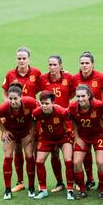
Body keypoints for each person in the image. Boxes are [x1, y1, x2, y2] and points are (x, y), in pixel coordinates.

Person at [1, 47, 41, 193]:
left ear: (29, 59)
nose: (21, 61)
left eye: (24, 58)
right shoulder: (10, 74)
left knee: (32, 150)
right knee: (16, 149)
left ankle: (35, 182)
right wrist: (10, 104)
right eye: (19, 58)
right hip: (14, 117)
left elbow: (43, 87)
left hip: (30, 118)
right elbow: (5, 93)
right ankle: (20, 181)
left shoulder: (36, 73)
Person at [0, 83, 38, 200]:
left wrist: (32, 132)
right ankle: (7, 190)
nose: (12, 101)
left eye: (15, 99)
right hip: (11, 133)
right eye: (10, 98)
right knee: (8, 156)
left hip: (25, 132)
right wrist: (4, 130)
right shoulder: (4, 107)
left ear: (21, 97)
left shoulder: (30, 102)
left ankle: (31, 188)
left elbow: (37, 114)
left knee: (29, 156)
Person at [71, 51, 103, 191]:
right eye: (82, 63)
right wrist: (76, 136)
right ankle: (88, 181)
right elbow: (68, 97)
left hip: (98, 126)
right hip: (83, 127)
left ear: (92, 64)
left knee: (100, 160)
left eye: (87, 63)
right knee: (82, 158)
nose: (84, 65)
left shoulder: (101, 77)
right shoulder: (74, 79)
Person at [38, 55, 73, 193]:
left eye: (54, 65)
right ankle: (60, 182)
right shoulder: (42, 79)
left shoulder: (68, 78)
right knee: (54, 154)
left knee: (72, 152)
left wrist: (62, 106)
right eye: (50, 65)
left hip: (64, 120)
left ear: (60, 65)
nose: (52, 67)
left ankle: (77, 181)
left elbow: (73, 92)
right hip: (48, 122)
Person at [32, 90, 75, 200]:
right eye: (42, 103)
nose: (44, 106)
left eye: (47, 103)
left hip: (63, 138)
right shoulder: (37, 112)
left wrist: (71, 137)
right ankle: (43, 190)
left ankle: (70, 190)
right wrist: (34, 137)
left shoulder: (61, 111)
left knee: (68, 160)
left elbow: (70, 124)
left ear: (53, 103)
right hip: (46, 138)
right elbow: (33, 124)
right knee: (39, 161)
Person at [69, 85, 103, 199]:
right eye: (78, 96)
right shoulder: (72, 106)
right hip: (83, 137)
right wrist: (76, 137)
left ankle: (102, 190)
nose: (80, 99)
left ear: (89, 96)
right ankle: (82, 191)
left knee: (100, 163)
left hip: (99, 136)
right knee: (76, 163)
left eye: (83, 96)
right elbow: (73, 120)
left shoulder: (99, 105)